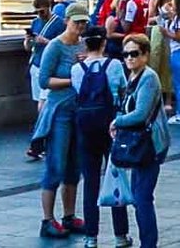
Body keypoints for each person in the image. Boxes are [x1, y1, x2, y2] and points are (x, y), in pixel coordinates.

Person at [71, 29, 128, 248]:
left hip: (85, 128)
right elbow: (123, 90)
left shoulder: (77, 69)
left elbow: (77, 93)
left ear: (85, 44)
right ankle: (120, 235)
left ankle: (91, 236)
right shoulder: (114, 66)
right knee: (115, 177)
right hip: (110, 125)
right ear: (104, 43)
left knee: (90, 183)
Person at [113, 33, 168, 248]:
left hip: (151, 144)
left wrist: (117, 121)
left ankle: (149, 243)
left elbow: (141, 114)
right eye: (125, 54)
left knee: (142, 197)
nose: (129, 58)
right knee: (138, 195)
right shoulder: (134, 76)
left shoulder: (148, 78)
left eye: (134, 54)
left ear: (145, 55)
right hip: (141, 144)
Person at [36, 11, 89, 238]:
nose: (80, 27)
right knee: (55, 165)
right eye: (77, 22)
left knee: (74, 166)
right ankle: (47, 219)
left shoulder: (84, 46)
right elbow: (44, 80)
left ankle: (69, 215)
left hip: (78, 112)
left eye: (84, 23)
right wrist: (72, 79)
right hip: (59, 112)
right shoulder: (55, 47)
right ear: (67, 21)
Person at [26, 0, 65, 161]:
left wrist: (45, 41)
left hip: (48, 68)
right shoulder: (35, 23)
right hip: (36, 65)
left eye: (42, 12)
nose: (39, 15)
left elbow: (62, 44)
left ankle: (39, 139)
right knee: (40, 103)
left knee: (43, 104)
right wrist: (29, 40)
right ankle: (41, 139)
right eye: (37, 12)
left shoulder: (58, 23)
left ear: (48, 7)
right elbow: (27, 47)